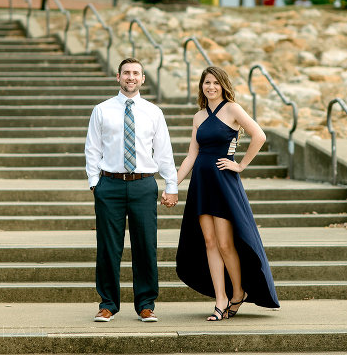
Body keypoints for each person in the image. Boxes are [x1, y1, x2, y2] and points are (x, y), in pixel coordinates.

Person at [175, 66, 279, 321]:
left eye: (215, 83)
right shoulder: (198, 116)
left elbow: (259, 135)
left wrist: (240, 165)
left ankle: (238, 291)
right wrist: (171, 185)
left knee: (224, 243)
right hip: (201, 183)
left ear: (223, 85)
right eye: (206, 82)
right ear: (202, 86)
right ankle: (221, 299)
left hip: (223, 183)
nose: (210, 87)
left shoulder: (232, 109)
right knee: (209, 242)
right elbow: (192, 154)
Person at [85, 57, 179, 323]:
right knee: (107, 247)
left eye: (136, 73)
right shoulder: (102, 110)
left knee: (145, 246)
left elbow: (164, 152)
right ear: (118, 77)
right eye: (126, 73)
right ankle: (107, 304)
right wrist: (95, 183)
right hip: (110, 184)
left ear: (143, 79)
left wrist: (170, 185)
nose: (131, 77)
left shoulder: (153, 112)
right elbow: (92, 148)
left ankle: (146, 304)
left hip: (143, 185)